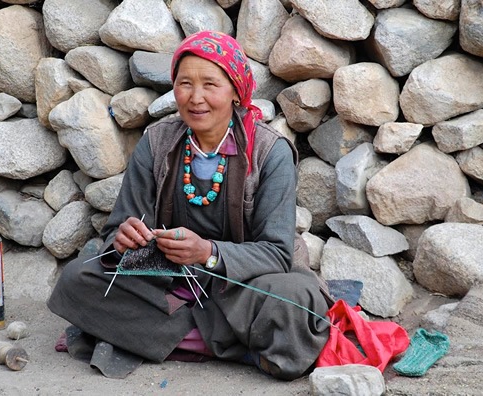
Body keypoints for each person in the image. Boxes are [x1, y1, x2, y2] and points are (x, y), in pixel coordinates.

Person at [48, 30, 330, 381]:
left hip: (242, 287)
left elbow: (276, 253)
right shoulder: (157, 142)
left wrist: (207, 253)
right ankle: (234, 345)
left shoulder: (270, 153)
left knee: (295, 301)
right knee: (77, 279)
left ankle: (163, 337)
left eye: (210, 84)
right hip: (168, 283)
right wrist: (123, 240)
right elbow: (116, 230)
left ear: (236, 92)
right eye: (185, 84)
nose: (196, 98)